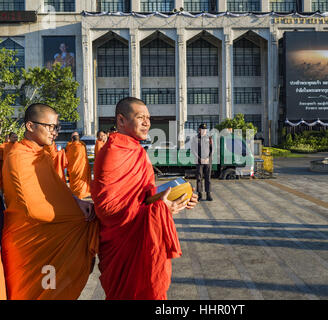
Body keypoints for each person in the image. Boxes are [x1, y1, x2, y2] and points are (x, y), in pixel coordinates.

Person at [91, 97, 199, 300]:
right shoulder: (113, 152)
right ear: (121, 121)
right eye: (140, 117)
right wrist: (160, 209)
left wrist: (179, 197)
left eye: (148, 118)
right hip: (122, 242)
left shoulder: (136, 150)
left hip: (140, 235)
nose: (147, 123)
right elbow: (107, 208)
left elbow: (143, 194)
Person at [1, 103, 98, 299]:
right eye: (50, 127)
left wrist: (76, 202)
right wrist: (76, 213)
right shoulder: (18, 156)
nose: (55, 132)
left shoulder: (41, 154)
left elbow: (55, 189)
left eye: (57, 127)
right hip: (30, 240)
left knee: (53, 290)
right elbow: (33, 206)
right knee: (35, 292)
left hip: (49, 234)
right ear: (30, 126)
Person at [190, 123, 213, 201]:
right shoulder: (195, 138)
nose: (204, 131)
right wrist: (199, 159)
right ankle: (199, 195)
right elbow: (193, 150)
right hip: (199, 161)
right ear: (199, 130)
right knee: (199, 178)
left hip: (207, 161)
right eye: (202, 129)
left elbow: (212, 149)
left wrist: (208, 158)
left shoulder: (209, 138)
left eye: (205, 130)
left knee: (208, 178)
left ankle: (208, 194)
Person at [65, 132, 91, 199]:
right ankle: (81, 195)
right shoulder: (82, 146)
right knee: (81, 184)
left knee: (74, 185)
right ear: (79, 139)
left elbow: (66, 158)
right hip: (81, 170)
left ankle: (75, 197)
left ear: (72, 139)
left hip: (73, 170)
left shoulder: (69, 147)